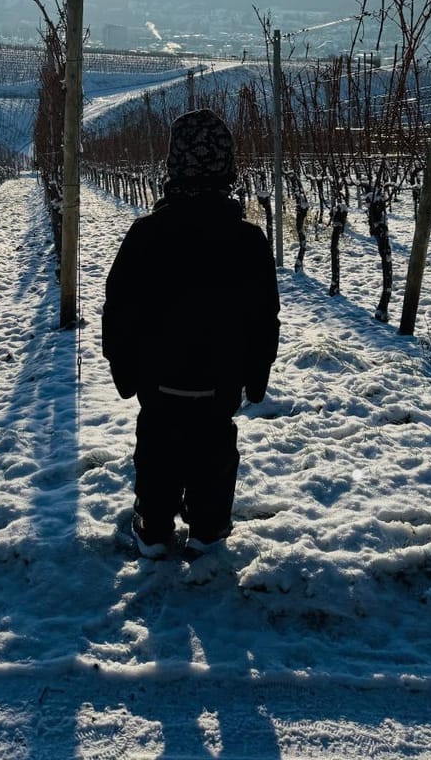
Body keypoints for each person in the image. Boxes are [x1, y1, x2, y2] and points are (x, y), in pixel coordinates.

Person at [102, 107, 280, 559]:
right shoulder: (249, 242)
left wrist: (126, 374)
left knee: (157, 449)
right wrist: (255, 379)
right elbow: (265, 319)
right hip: (220, 383)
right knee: (215, 450)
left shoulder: (145, 235)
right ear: (228, 168)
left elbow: (118, 312)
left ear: (173, 167)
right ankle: (209, 527)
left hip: (158, 382)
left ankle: (154, 527)